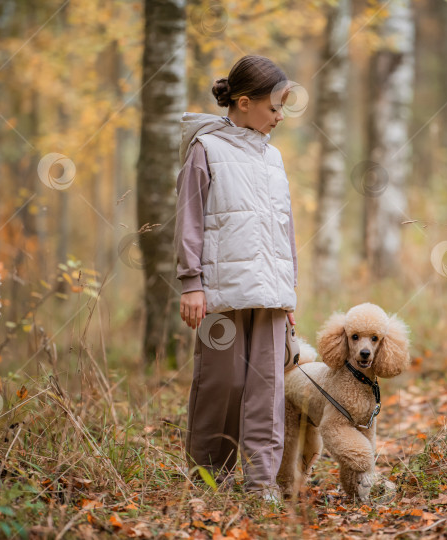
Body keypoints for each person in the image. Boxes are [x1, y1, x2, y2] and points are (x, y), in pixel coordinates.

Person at [173, 55, 298, 502]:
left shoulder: (274, 157)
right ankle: (210, 479)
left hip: (269, 296)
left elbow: (284, 230)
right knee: (221, 387)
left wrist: (289, 296)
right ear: (244, 103)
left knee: (267, 389)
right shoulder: (206, 150)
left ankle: (262, 482)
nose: (280, 117)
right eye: (274, 107)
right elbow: (189, 220)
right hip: (221, 296)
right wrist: (192, 283)